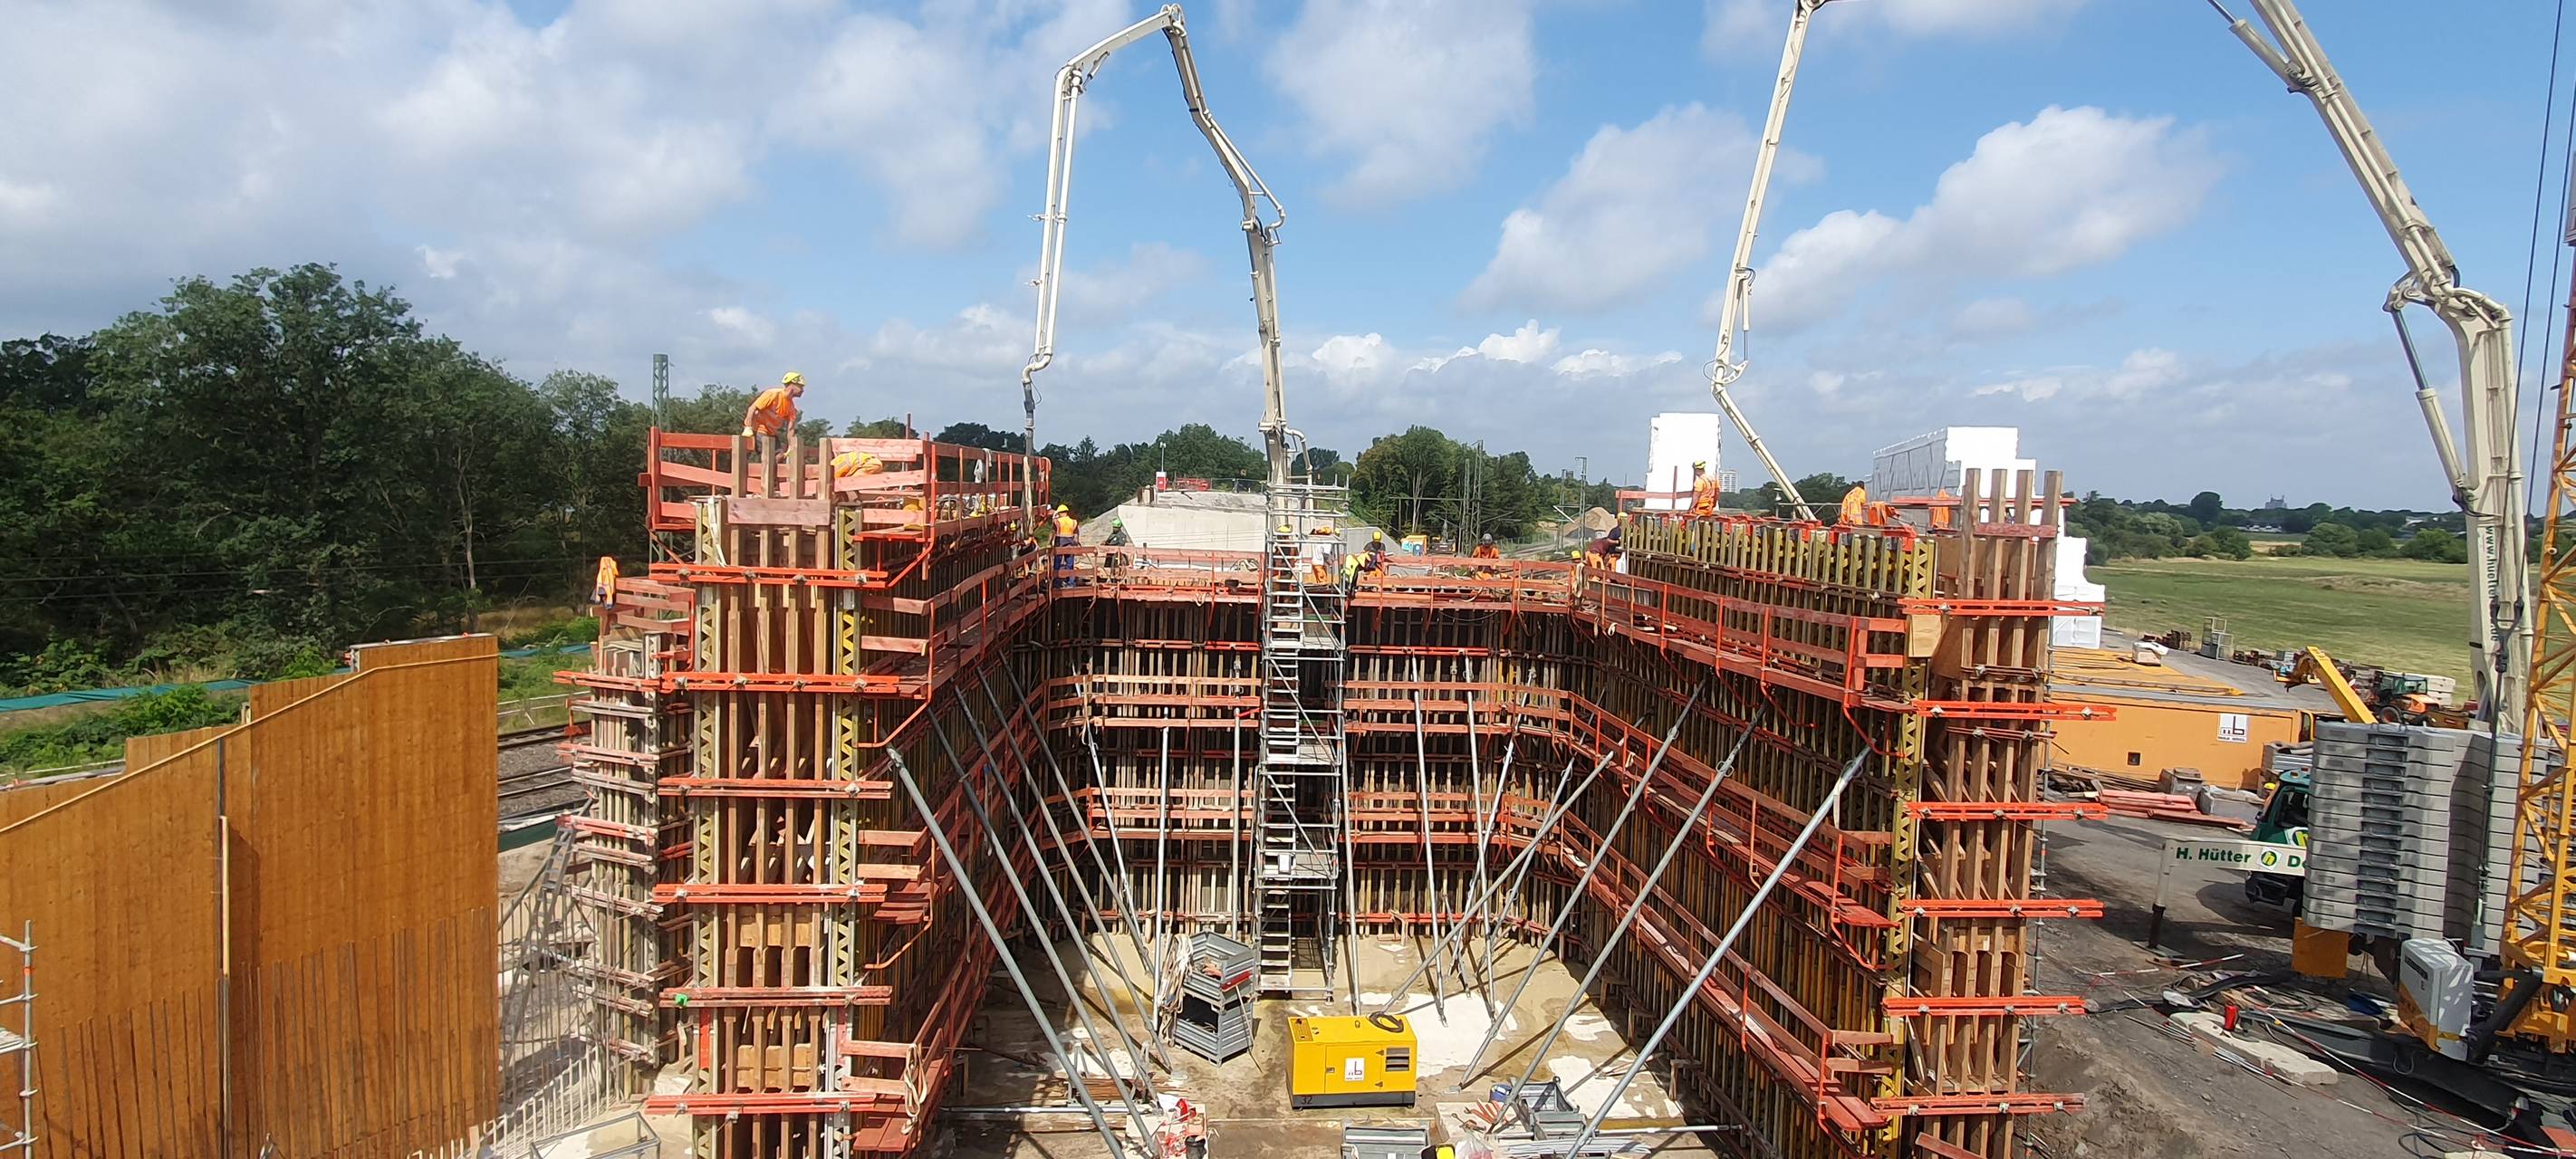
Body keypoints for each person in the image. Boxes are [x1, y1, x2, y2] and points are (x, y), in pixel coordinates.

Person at [742, 371, 806, 440]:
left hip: (772, 434)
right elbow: (752, 408)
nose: (802, 390)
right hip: (759, 430)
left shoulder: (791, 407)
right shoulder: (773, 394)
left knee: (778, 450)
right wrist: (748, 427)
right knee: (768, 449)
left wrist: (791, 447)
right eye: (800, 386)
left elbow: (790, 429)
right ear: (792, 385)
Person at [1052, 503, 1080, 588]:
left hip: (1059, 544)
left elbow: (1053, 532)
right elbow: (1076, 533)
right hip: (1070, 544)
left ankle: (1056, 583)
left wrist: (1049, 542)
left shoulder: (1057, 521)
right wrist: (1076, 541)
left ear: (1060, 513)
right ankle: (1070, 583)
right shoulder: (1073, 522)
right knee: (1070, 564)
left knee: (1057, 564)